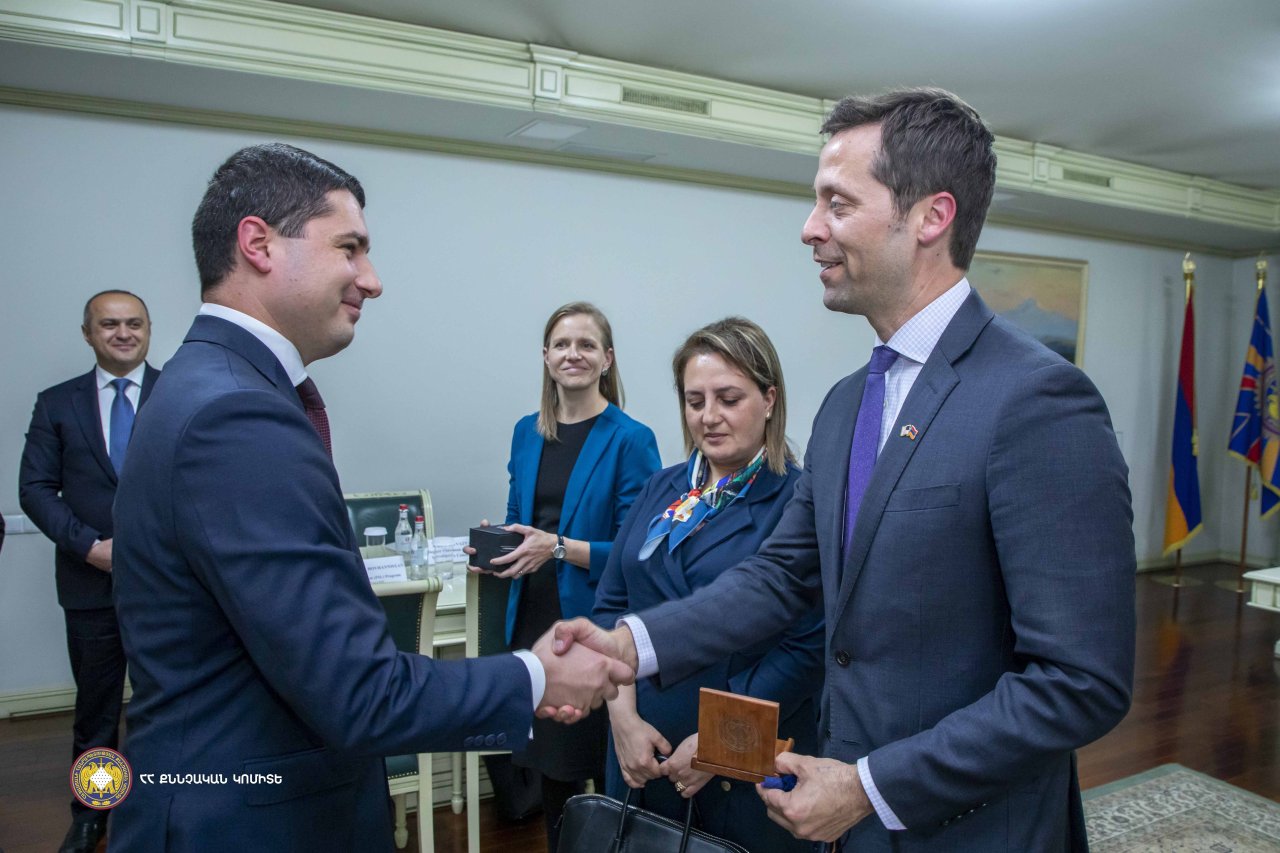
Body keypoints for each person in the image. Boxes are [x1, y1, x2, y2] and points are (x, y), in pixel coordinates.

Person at [553, 89, 1135, 852]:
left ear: (931, 217)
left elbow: (1081, 682)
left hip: (970, 828)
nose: (810, 228)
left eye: (837, 202)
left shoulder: (1037, 401)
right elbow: (779, 578)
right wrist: (631, 642)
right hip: (844, 821)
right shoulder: (843, 405)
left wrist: (869, 786)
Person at [108, 143, 632, 851]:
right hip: (250, 818)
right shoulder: (236, 414)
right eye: (349, 249)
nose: (372, 280)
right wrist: (536, 675)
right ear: (258, 244)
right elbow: (358, 692)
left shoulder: (205, 384)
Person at [593, 317, 822, 852]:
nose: (709, 416)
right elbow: (612, 604)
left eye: (728, 399)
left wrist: (718, 745)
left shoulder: (798, 501)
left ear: (769, 399)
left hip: (739, 758)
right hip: (640, 751)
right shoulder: (661, 488)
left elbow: (808, 647)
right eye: (694, 401)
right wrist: (622, 718)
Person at [469, 301, 660, 850]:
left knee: (603, 768)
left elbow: (638, 550)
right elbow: (521, 519)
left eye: (586, 344)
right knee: (553, 774)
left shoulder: (630, 438)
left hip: (596, 625)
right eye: (561, 344)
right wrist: (497, 547)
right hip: (534, 620)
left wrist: (557, 548)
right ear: (546, 357)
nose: (572, 354)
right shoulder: (526, 432)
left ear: (607, 359)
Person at [18, 289, 158, 853]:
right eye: (109, 324)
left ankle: (163, 804)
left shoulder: (179, 392)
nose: (123, 334)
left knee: (168, 703)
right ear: (88, 333)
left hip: (169, 586)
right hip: (89, 585)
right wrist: (90, 548)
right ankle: (93, 813)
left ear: (148, 330)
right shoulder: (57, 404)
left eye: (134, 324)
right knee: (96, 711)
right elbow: (34, 488)